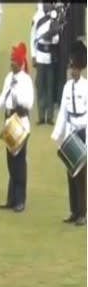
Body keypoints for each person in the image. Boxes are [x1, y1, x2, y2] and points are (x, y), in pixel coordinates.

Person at [0, 42, 34, 212]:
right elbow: (4, 96)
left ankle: (20, 199)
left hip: (20, 121)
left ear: (20, 62)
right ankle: (11, 198)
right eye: (11, 60)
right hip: (9, 121)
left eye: (14, 61)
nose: (11, 64)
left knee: (19, 162)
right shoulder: (9, 78)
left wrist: (17, 96)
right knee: (10, 161)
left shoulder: (26, 80)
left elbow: (28, 102)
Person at [51, 40, 87, 226]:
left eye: (75, 67)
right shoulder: (67, 87)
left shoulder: (86, 87)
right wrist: (58, 134)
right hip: (70, 131)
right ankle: (73, 210)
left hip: (82, 132)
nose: (72, 71)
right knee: (70, 173)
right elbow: (63, 112)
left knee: (81, 175)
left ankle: (83, 212)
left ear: (80, 68)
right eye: (71, 67)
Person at [30, 1, 61, 125]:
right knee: (40, 86)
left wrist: (53, 38)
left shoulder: (55, 16)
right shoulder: (37, 18)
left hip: (51, 56)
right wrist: (33, 55)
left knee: (50, 86)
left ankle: (50, 116)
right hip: (40, 56)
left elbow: (57, 38)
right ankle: (41, 115)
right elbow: (32, 37)